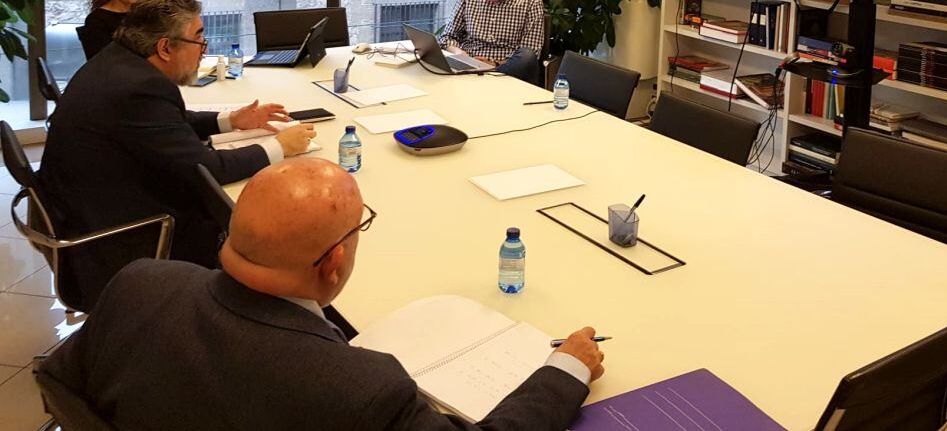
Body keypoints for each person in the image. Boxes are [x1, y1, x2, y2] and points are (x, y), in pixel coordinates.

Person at [40, 158, 603, 430]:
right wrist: (564, 371)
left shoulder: (140, 281)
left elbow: (59, 379)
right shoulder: (357, 388)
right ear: (333, 262)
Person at [38, 0, 316, 304]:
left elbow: (165, 121)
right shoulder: (140, 88)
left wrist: (232, 119)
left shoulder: (120, 62)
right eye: (198, 39)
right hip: (119, 243)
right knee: (261, 225)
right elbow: (207, 170)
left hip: (85, 215)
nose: (203, 50)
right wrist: (278, 147)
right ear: (166, 48)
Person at [440, 0, 545, 83]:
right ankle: (478, 76)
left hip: (506, 70)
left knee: (527, 56)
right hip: (469, 64)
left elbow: (531, 52)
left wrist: (494, 64)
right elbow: (447, 37)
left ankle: (491, 76)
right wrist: (459, 53)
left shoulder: (531, 1)